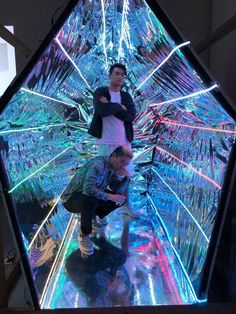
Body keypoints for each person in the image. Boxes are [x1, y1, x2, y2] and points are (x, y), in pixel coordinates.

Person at [61, 146, 133, 256]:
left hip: (89, 198)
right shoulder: (98, 164)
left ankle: (96, 215)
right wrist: (111, 197)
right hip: (71, 199)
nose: (123, 166)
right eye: (122, 162)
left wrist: (125, 178)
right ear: (113, 156)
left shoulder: (113, 168)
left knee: (121, 199)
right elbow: (88, 189)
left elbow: (115, 189)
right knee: (91, 199)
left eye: (126, 164)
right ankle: (84, 234)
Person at [88, 63, 138, 219]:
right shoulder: (100, 92)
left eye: (123, 74)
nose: (120, 76)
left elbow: (130, 116)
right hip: (105, 142)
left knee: (126, 176)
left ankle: (126, 206)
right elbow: (101, 111)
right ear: (110, 76)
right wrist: (119, 107)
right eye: (117, 73)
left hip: (123, 143)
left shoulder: (126, 96)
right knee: (100, 178)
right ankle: (96, 213)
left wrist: (110, 106)